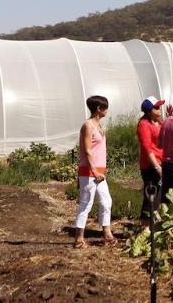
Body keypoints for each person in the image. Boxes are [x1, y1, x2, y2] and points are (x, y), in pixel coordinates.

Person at [73, 95, 115, 248]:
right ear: (99, 109)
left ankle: (107, 234)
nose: (107, 111)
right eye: (105, 107)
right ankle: (79, 238)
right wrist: (94, 171)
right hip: (89, 172)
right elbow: (88, 151)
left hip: (99, 172)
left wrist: (102, 168)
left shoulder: (98, 126)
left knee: (106, 201)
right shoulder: (88, 125)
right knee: (86, 204)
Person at [136, 96, 164, 225]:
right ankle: (145, 226)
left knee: (158, 196)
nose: (159, 109)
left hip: (160, 162)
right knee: (151, 195)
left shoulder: (158, 122)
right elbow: (147, 148)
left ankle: (151, 227)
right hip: (150, 166)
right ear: (149, 110)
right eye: (156, 107)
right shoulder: (143, 125)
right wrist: (157, 167)